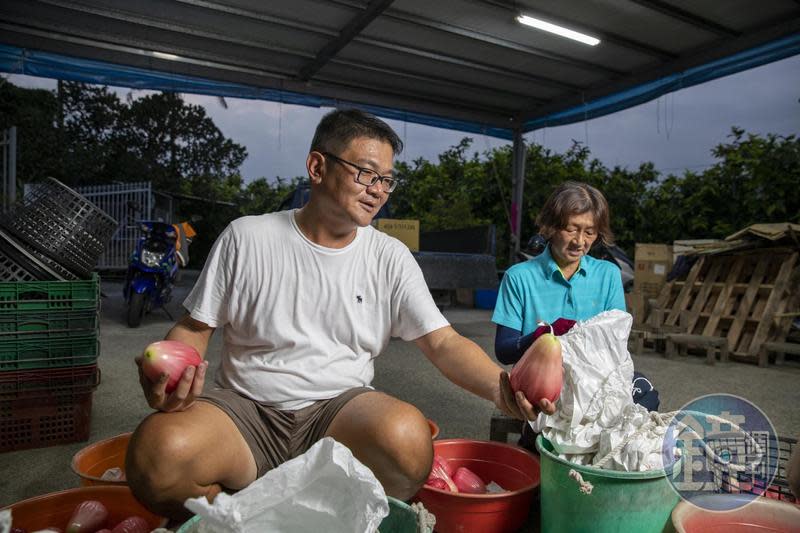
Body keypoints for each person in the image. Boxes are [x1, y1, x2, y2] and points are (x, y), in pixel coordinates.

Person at [125, 108, 555, 520]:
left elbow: (443, 341)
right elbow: (195, 326)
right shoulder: (248, 238)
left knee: (408, 441)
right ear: (317, 167)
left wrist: (502, 390)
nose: (378, 190)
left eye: (387, 180)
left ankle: (298, 505)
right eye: (366, 173)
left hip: (337, 414)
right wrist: (173, 374)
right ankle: (247, 511)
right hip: (245, 413)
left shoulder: (389, 257)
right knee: (154, 457)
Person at [491, 181, 659, 448]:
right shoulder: (519, 277)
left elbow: (615, 347)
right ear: (550, 227)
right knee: (551, 422)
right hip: (542, 383)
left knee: (647, 393)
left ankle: (597, 458)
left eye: (590, 232)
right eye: (571, 229)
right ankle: (540, 454)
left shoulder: (608, 275)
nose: (580, 242)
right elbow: (504, 350)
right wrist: (542, 335)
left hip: (594, 379)